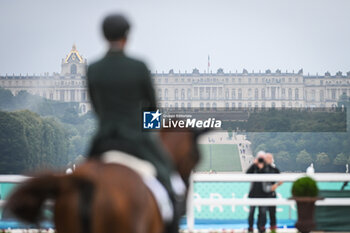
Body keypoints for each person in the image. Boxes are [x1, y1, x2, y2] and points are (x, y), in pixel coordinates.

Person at [87, 13, 178, 231]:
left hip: (104, 137)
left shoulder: (94, 68)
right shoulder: (138, 66)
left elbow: (97, 107)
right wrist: (150, 132)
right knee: (170, 181)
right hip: (136, 138)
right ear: (127, 36)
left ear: (103, 36)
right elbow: (153, 106)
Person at [246, 151, 268, 233]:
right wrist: (254, 164)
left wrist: (262, 166)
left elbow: (269, 175)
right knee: (251, 212)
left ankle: (261, 227)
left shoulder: (266, 167)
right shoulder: (254, 167)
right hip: (253, 193)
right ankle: (250, 227)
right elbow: (247, 173)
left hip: (263, 193)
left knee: (263, 213)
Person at [264, 153, 282, 233]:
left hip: (271, 193)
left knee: (272, 213)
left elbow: (282, 180)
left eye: (270, 158)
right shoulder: (261, 169)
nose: (269, 160)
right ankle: (261, 229)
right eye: (267, 158)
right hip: (262, 194)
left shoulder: (275, 169)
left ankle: (273, 229)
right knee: (262, 214)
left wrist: (276, 185)